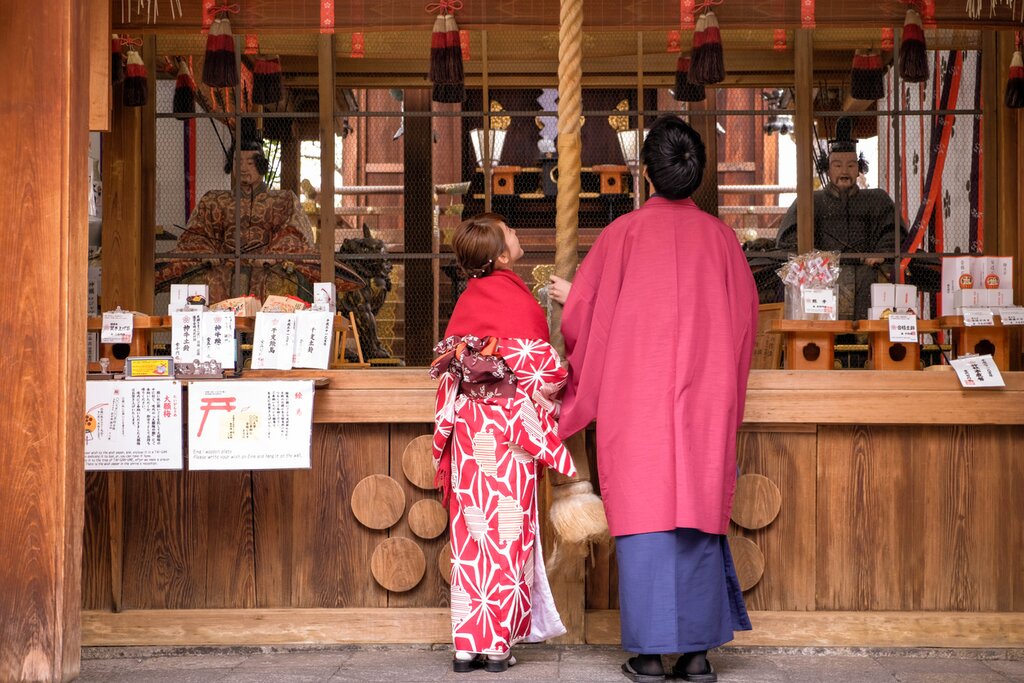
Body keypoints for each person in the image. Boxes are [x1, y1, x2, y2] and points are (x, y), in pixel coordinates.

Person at [549, 115, 756, 682]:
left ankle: (646, 654)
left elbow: (583, 322)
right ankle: (695, 656)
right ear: (698, 176)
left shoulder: (621, 237)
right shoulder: (722, 240)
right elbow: (744, 329)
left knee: (644, 518)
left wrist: (574, 306)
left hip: (634, 403)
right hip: (704, 402)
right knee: (695, 513)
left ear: (644, 174)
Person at [430, 213, 577, 673]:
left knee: (472, 535)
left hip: (470, 432)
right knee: (508, 533)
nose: (516, 234)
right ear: (498, 254)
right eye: (509, 232)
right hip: (510, 434)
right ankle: (496, 646)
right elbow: (546, 373)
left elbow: (450, 371)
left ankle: (465, 645)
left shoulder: (467, 302)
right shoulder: (517, 301)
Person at [156, 136, 359, 303]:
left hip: (268, 264)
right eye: (238, 161)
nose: (243, 168)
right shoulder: (214, 200)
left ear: (261, 165)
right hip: (223, 262)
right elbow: (198, 233)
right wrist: (208, 254)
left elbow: (294, 232)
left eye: (250, 162)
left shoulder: (283, 199)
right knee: (202, 278)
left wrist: (273, 256)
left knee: (278, 280)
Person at [775, 117, 903, 320]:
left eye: (851, 166)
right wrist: (814, 262)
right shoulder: (809, 201)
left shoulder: (877, 200)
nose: (844, 171)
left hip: (868, 278)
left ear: (859, 168)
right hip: (822, 280)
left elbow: (893, 232)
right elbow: (789, 241)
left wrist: (882, 254)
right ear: (827, 168)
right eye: (837, 165)